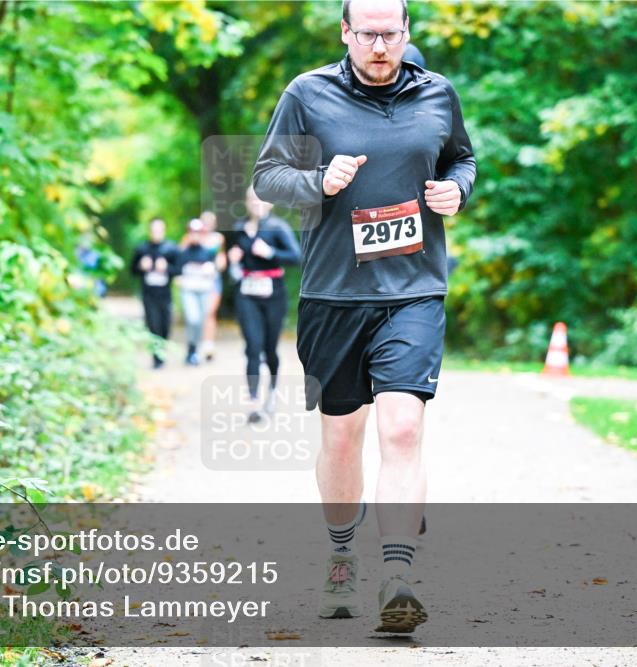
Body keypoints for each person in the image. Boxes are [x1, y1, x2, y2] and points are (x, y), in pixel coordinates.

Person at [251, 0, 476, 634]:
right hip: (333, 295)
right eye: (368, 34)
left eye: (391, 33)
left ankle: (398, 576)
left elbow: (463, 158)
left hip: (414, 290)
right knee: (343, 436)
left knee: (402, 429)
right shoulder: (307, 94)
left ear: (406, 33)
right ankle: (343, 555)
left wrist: (457, 189)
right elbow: (268, 177)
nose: (380, 44)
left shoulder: (438, 94)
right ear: (346, 34)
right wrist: (319, 181)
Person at [227, 186, 301, 423]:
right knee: (252, 345)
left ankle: (272, 391)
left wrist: (269, 252)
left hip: (273, 294)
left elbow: (297, 257)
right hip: (247, 292)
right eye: (251, 199)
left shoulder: (278, 228)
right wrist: (232, 260)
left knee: (269, 348)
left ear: (270, 203)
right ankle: (253, 401)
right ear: (247, 202)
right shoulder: (238, 228)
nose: (256, 203)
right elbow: (230, 261)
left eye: (261, 199)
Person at [130, 218, 181, 369]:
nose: (156, 233)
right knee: (153, 324)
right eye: (154, 230)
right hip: (148, 294)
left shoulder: (171, 249)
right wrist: (141, 266)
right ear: (150, 231)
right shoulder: (142, 249)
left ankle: (162, 350)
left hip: (165, 294)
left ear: (164, 230)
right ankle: (157, 358)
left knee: (165, 325)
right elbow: (132, 270)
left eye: (159, 230)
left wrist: (166, 268)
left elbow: (179, 270)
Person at [181, 210, 227, 362]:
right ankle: (196, 346)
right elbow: (179, 255)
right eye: (204, 222)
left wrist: (219, 264)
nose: (207, 225)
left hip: (212, 281)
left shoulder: (218, 239)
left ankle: (208, 345)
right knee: (198, 315)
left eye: (210, 222)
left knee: (209, 313)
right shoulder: (190, 237)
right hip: (194, 281)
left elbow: (221, 258)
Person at [176, 218, 218, 366]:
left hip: (203, 291)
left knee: (200, 321)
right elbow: (176, 272)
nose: (195, 235)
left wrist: (210, 271)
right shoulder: (182, 253)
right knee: (192, 318)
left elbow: (214, 271)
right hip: (189, 292)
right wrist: (180, 279)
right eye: (192, 232)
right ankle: (191, 348)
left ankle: (194, 350)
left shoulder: (208, 252)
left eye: (198, 232)